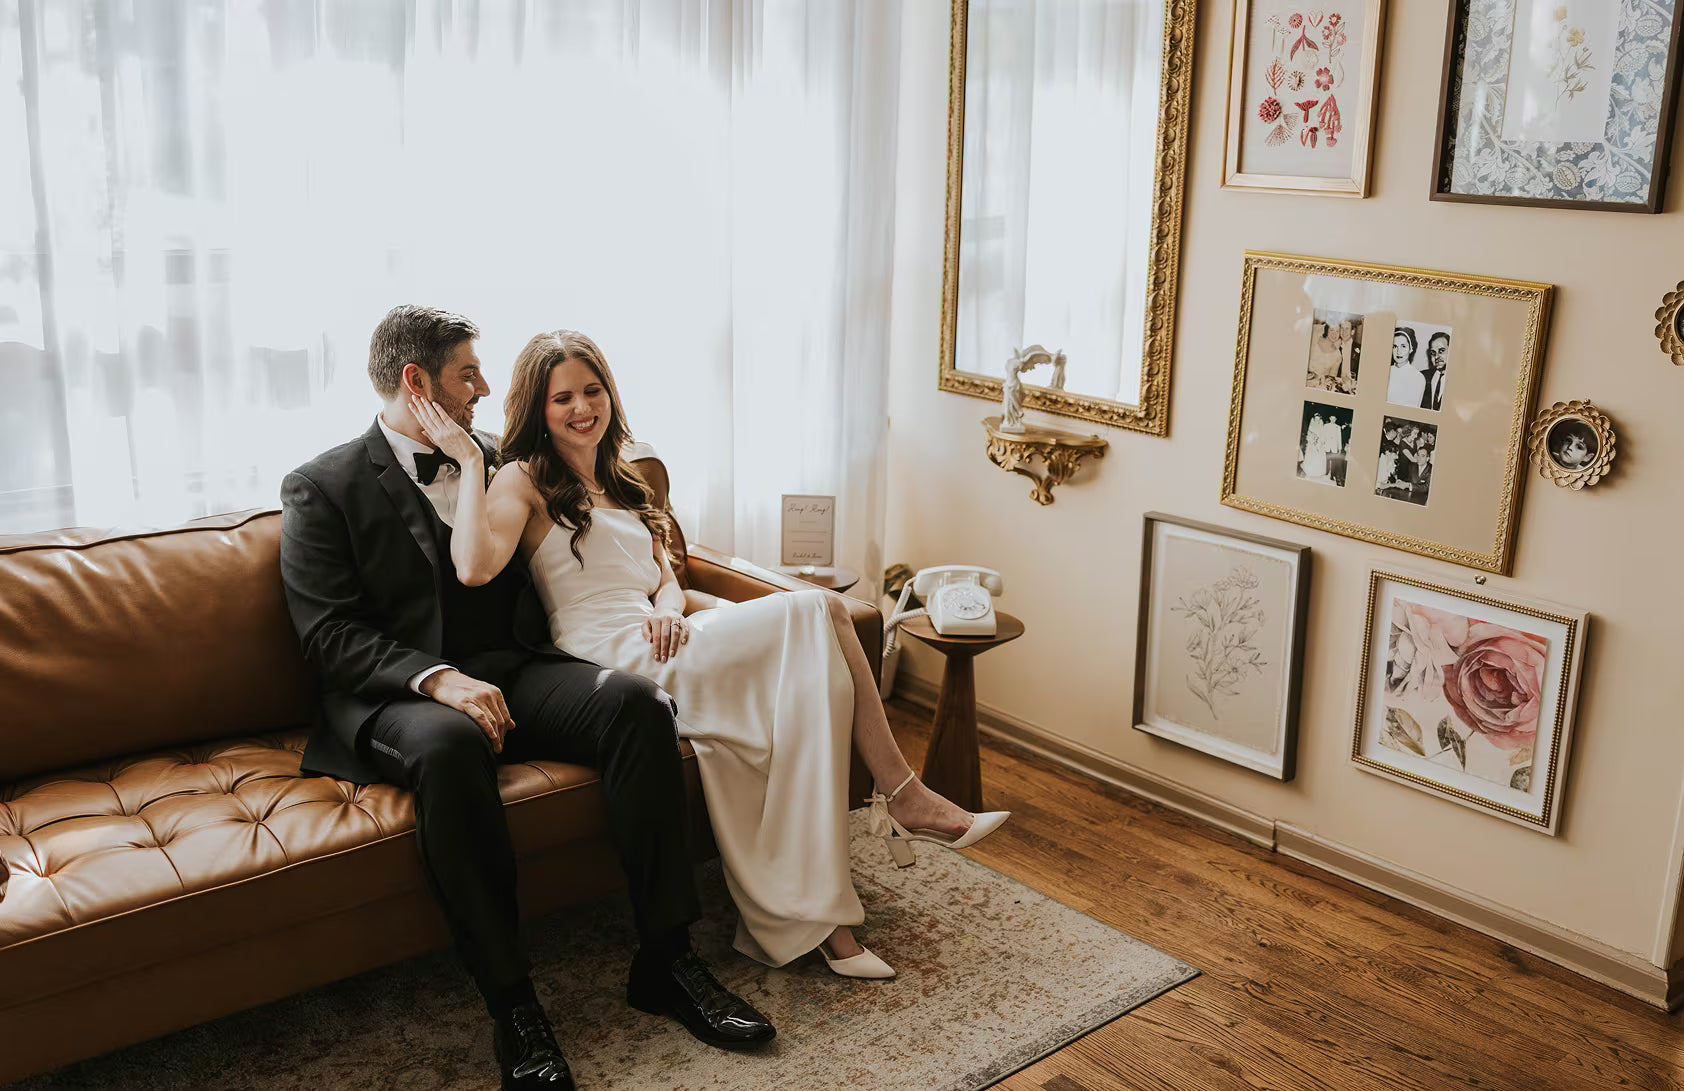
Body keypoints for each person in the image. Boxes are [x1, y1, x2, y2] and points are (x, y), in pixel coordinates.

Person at [278, 307, 774, 1091]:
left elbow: (604, 542)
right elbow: (328, 635)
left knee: (638, 705)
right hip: (400, 692)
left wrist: (657, 598)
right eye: (468, 373)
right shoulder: (322, 485)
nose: (484, 386)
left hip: (515, 665)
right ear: (418, 382)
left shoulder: (502, 461)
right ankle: (513, 1003)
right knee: (451, 747)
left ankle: (668, 961)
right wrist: (438, 679)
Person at [421, 328, 1010, 982]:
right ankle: (903, 794)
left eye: (593, 390)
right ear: (538, 406)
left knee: (807, 690)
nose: (582, 407)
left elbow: (666, 578)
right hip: (605, 655)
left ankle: (824, 922)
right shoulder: (520, 478)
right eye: (563, 397)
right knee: (824, 610)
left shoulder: (626, 479)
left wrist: (670, 613)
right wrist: (471, 464)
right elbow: (473, 568)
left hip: (660, 635)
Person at [1386, 326, 1426, 407]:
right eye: (1394, 346)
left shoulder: (1418, 378)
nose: (1398, 351)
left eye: (1403, 346)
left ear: (1411, 349)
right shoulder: (1384, 371)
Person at [1420, 331, 1450, 411]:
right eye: (1433, 353)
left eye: (1441, 351)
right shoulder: (1421, 377)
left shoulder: (1461, 382)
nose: (1437, 357)